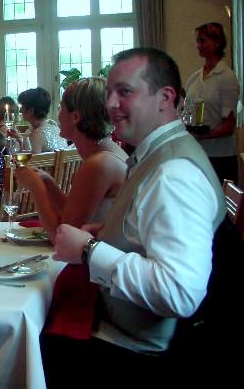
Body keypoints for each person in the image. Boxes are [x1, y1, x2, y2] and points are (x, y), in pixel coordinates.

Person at [43, 48, 225, 388]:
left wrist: (89, 250)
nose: (111, 103)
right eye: (110, 92)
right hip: (118, 329)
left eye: (125, 91)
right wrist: (110, 232)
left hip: (128, 351)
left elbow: (179, 292)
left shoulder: (173, 173)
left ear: (165, 97)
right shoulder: (155, 154)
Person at [16, 78, 127, 240]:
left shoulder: (100, 164)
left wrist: (36, 188)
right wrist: (49, 183)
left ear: (75, 116)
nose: (58, 115)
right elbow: (75, 217)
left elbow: (63, 238)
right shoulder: (107, 151)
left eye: (61, 107)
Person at [185, 22, 240, 183]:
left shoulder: (227, 77)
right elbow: (187, 113)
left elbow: (228, 127)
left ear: (217, 42)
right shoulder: (195, 78)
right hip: (197, 154)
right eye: (198, 41)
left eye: (203, 41)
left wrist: (200, 135)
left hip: (220, 158)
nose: (198, 45)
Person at [17, 87, 67, 152]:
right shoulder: (55, 127)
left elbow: (30, 158)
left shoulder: (37, 134)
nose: (20, 110)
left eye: (22, 107)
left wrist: (19, 139)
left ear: (31, 111)